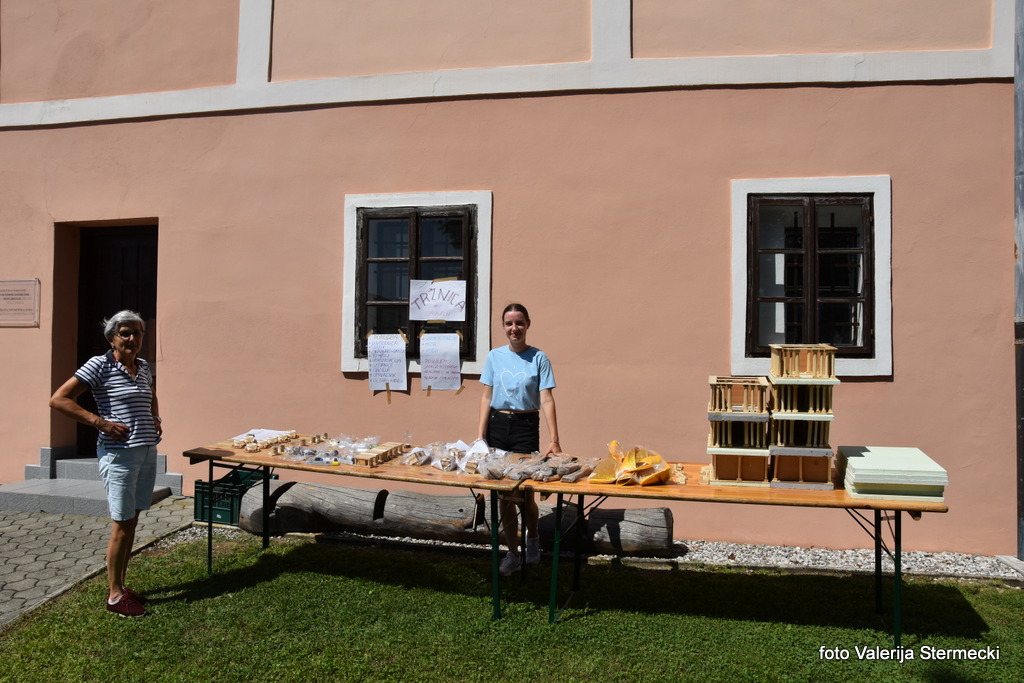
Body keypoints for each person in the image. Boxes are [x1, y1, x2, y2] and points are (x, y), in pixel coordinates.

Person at [49, 310, 162, 617]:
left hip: (146, 451)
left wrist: (155, 417)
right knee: (122, 524)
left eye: (138, 332)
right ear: (112, 338)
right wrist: (100, 422)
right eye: (125, 333)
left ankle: (122, 585)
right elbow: (59, 399)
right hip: (119, 455)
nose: (133, 338)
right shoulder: (99, 365)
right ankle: (114, 596)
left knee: (132, 520)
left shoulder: (142, 366)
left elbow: (150, 393)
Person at [477, 303, 560, 576]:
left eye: (519, 323)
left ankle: (532, 538)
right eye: (509, 323)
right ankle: (512, 553)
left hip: (525, 426)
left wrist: (554, 440)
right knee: (504, 496)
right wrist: (480, 435)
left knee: (524, 493)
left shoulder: (539, 358)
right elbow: (486, 397)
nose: (515, 328)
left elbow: (546, 399)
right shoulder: (494, 356)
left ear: (528, 325)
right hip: (498, 426)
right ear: (503, 326)